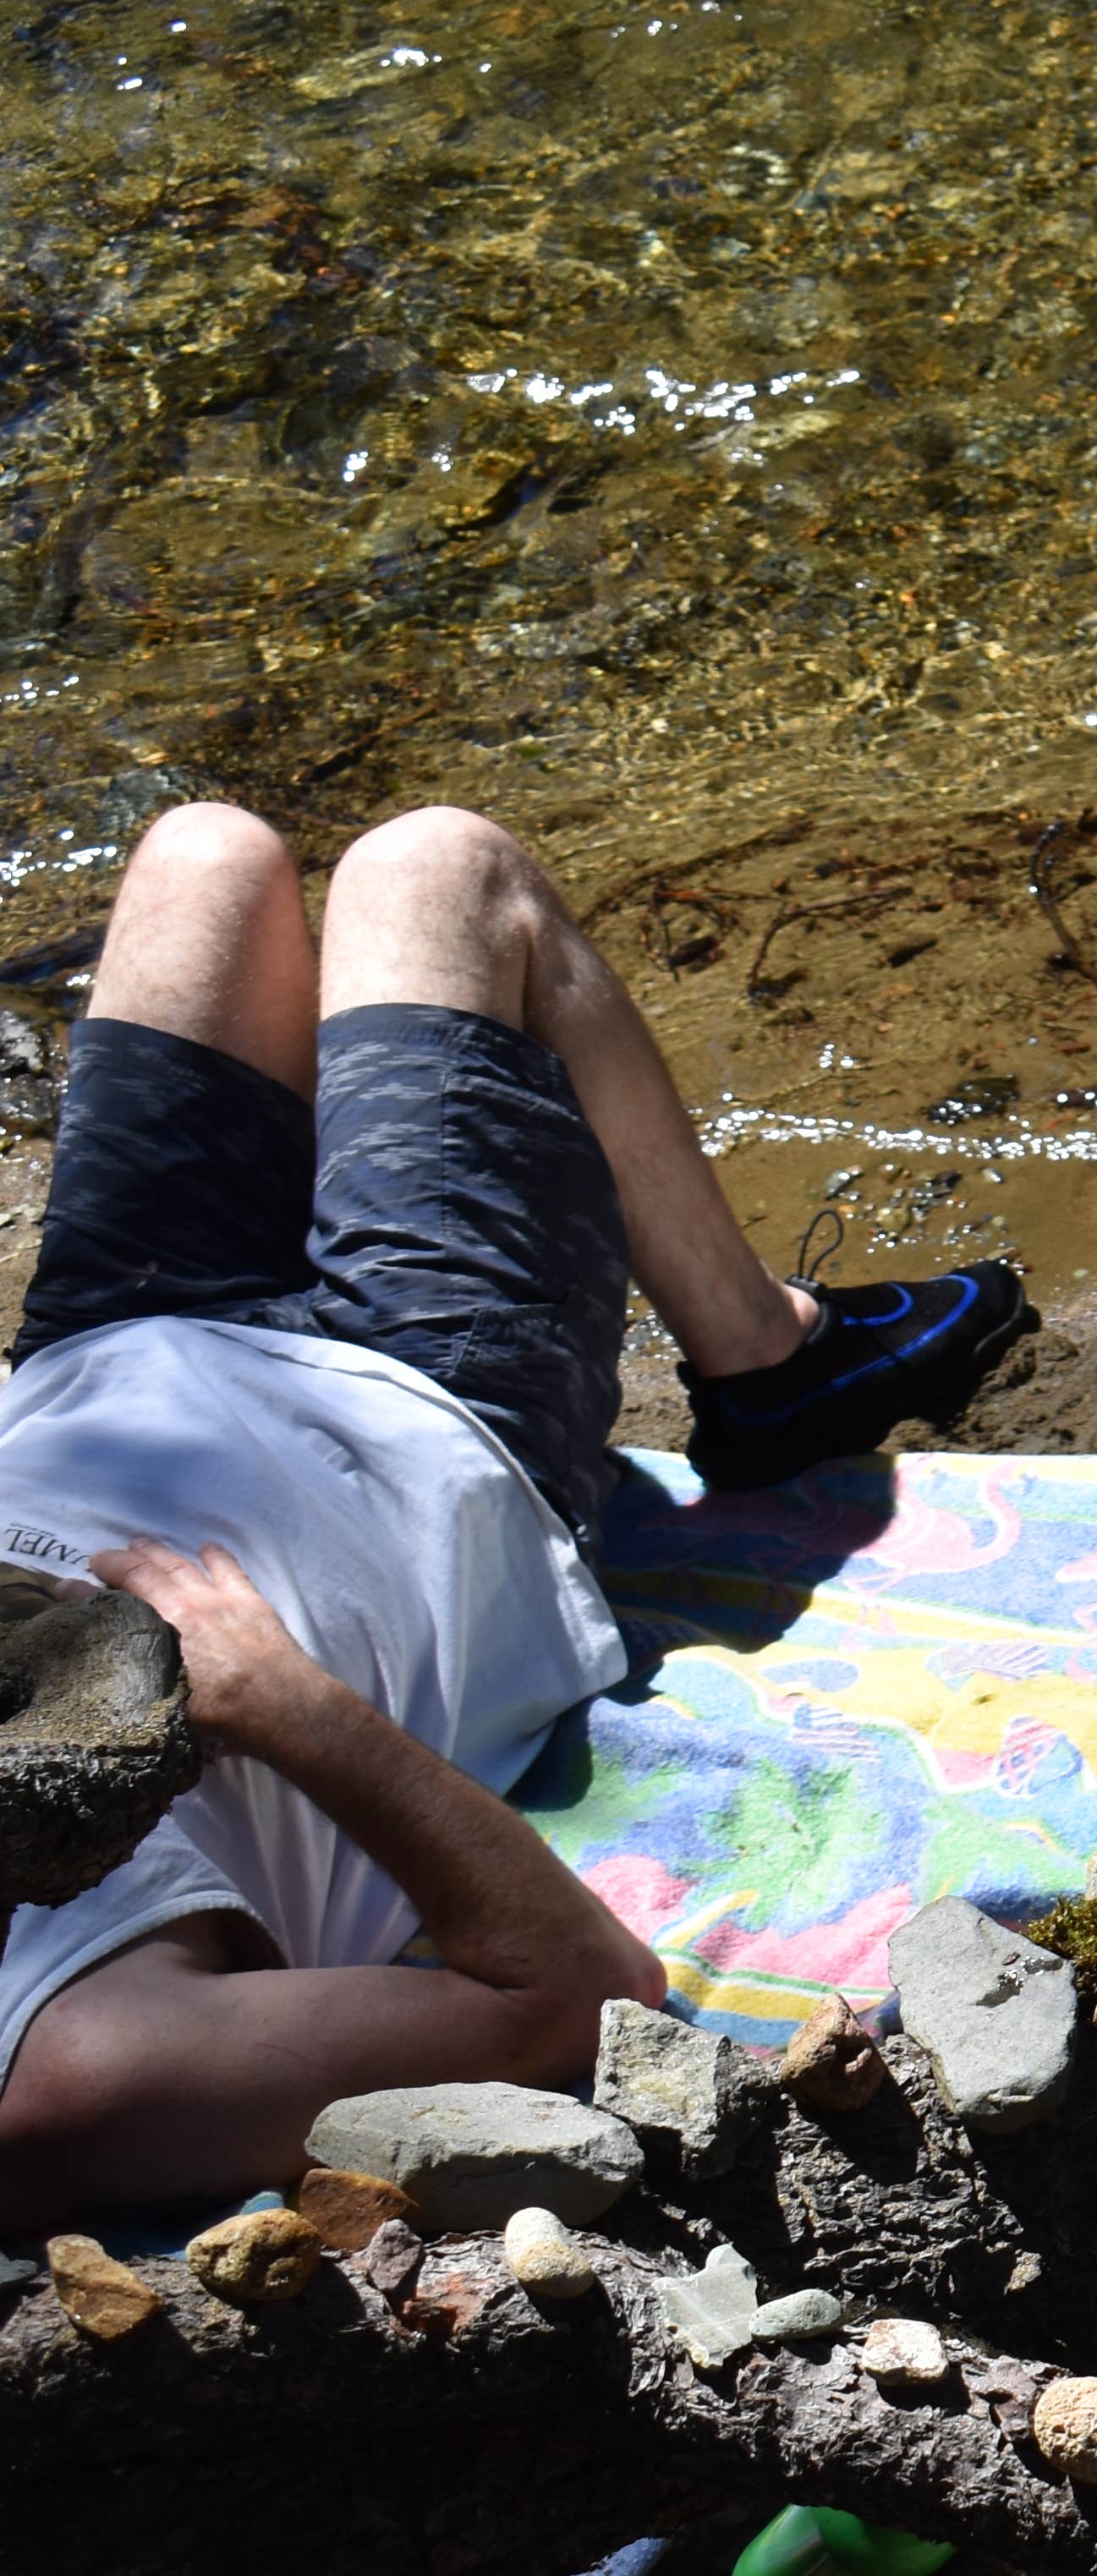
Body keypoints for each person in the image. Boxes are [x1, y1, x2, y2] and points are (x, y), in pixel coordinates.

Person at [0, 801, 1031, 2233]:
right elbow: (578, 1997)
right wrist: (282, 1702)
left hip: (105, 1353)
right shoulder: (77, 2076)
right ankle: (766, 1359)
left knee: (207, 856)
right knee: (445, 871)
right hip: (422, 1419)